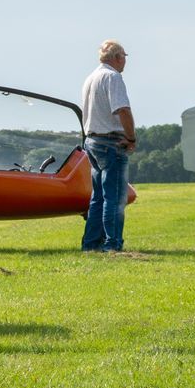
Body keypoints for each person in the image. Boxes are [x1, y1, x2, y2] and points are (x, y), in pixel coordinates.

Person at [80, 39, 134, 252]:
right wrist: (131, 138)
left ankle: (91, 244)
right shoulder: (113, 77)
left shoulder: (91, 78)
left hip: (92, 141)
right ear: (117, 58)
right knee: (115, 197)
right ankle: (112, 245)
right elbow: (123, 110)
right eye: (124, 57)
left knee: (98, 197)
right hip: (111, 142)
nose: (125, 62)